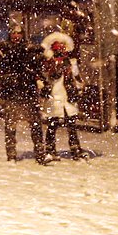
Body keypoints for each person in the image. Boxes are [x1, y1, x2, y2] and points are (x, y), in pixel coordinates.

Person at [0, 23, 47, 165]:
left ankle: (40, 153)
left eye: (19, 33)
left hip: (28, 90)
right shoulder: (5, 48)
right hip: (13, 92)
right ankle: (11, 154)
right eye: (14, 33)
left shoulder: (29, 48)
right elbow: (5, 65)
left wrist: (38, 77)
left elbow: (36, 66)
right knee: (11, 125)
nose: (16, 36)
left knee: (35, 123)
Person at [40, 31, 87, 161]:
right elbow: (50, 76)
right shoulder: (49, 62)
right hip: (55, 95)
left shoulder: (70, 62)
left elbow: (76, 77)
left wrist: (78, 84)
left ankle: (75, 148)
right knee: (53, 124)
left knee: (71, 124)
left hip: (67, 95)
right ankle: (50, 149)